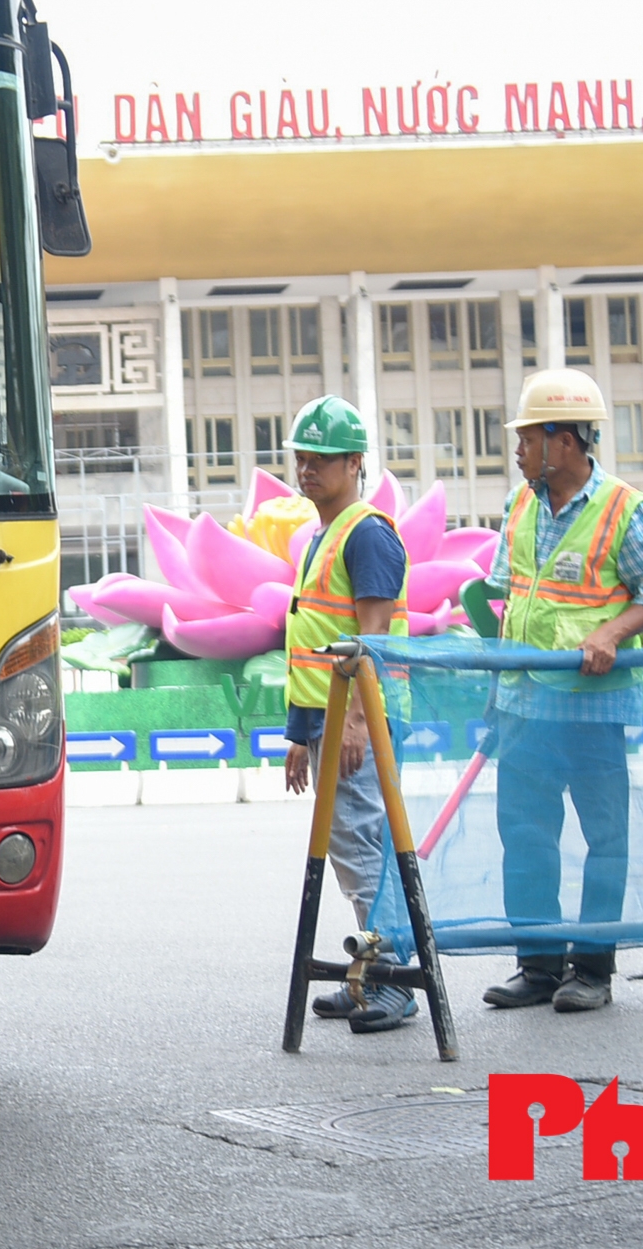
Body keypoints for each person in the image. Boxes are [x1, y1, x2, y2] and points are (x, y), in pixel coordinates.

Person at [480, 368, 643, 1015]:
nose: (517, 451)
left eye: (527, 437)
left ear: (564, 441)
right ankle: (537, 963)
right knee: (526, 833)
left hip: (593, 704)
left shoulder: (626, 509)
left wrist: (609, 633)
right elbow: (504, 596)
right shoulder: (518, 505)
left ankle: (591, 966)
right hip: (524, 703)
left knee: (604, 836)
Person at [277, 396, 416, 1035]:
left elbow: (372, 641)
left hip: (367, 726)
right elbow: (312, 646)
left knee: (364, 847)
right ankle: (369, 974)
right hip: (332, 723)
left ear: (355, 463)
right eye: (302, 458)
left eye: (323, 460)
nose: (308, 469)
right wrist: (301, 736)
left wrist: (358, 722)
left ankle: (392, 981)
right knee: (351, 850)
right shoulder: (321, 536)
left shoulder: (367, 534)